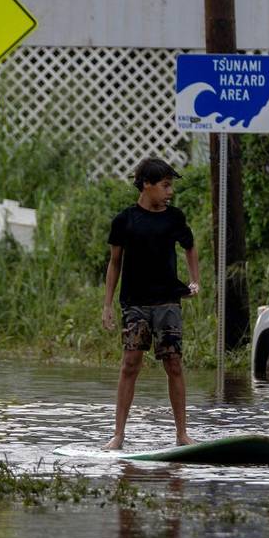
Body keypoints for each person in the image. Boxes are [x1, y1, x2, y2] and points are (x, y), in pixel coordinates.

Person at [101, 157, 200, 450]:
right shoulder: (124, 220)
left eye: (171, 186)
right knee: (130, 363)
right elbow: (114, 263)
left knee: (174, 364)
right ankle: (118, 434)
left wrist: (195, 280)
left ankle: (182, 433)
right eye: (165, 186)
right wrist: (107, 305)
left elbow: (190, 247)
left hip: (168, 301)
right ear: (146, 185)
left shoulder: (174, 218)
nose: (170, 192)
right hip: (135, 303)